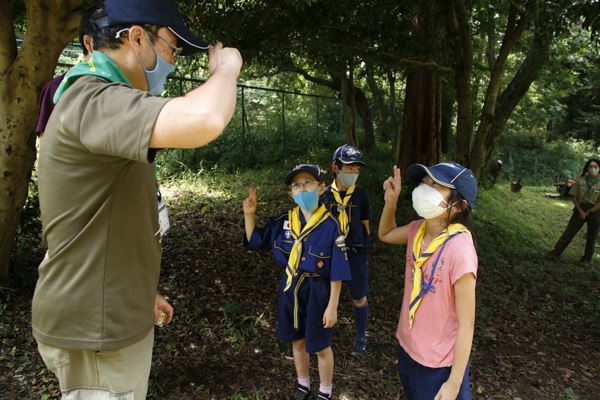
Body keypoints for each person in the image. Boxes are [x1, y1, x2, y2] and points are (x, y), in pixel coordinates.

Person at [31, 0, 242, 398]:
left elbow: (105, 218)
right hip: (96, 333)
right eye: (172, 48)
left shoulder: (98, 101)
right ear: (137, 38)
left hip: (107, 316)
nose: (174, 61)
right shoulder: (92, 99)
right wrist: (225, 70)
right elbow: (205, 119)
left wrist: (138, 292)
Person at [243, 164, 351, 400]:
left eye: (307, 183)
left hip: (318, 292)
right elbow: (255, 241)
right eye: (296, 185)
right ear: (290, 194)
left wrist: (332, 306)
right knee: (297, 340)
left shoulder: (331, 225)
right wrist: (249, 215)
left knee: (321, 344)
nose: (302, 189)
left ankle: (325, 390)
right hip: (290, 288)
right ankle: (303, 384)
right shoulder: (284, 221)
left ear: (321, 188)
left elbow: (337, 271)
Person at [378, 162, 478, 400]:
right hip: (409, 349)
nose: (425, 187)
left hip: (439, 364)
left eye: (436, 185)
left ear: (459, 205)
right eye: (425, 182)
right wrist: (390, 202)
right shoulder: (417, 230)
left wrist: (453, 384)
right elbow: (385, 234)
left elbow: (467, 324)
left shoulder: (460, 250)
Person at [321, 144, 371, 356]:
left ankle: (361, 335)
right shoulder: (324, 195)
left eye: (356, 169)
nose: (352, 173)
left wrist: (363, 251)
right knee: (325, 297)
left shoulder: (361, 196)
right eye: (348, 167)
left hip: (354, 254)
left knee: (358, 297)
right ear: (335, 167)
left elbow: (366, 224)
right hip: (330, 255)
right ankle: (323, 336)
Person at [35, 3, 99, 136]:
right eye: (111, 38)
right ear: (88, 43)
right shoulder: (55, 87)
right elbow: (46, 142)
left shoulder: (128, 87)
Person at [545, 158, 600, 265]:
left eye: (596, 167)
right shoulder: (580, 180)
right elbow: (574, 196)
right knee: (569, 232)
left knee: (592, 236)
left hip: (595, 211)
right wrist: (580, 210)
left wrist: (589, 212)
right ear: (587, 168)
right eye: (590, 166)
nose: (593, 169)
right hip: (580, 208)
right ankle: (555, 253)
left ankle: (586, 259)